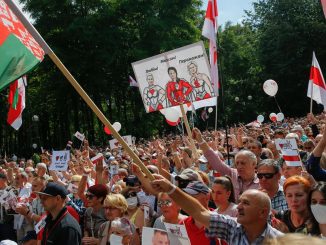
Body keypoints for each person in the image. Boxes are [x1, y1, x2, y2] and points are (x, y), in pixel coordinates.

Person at [135, 168, 283, 244]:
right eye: (240, 202)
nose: (238, 206)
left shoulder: (281, 241)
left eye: (246, 203)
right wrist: (170, 188)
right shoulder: (231, 229)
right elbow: (198, 211)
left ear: (263, 213)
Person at [193, 127, 259, 202]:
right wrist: (200, 140)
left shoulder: (262, 182)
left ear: (254, 164)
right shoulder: (232, 173)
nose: (239, 166)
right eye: (237, 163)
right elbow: (215, 161)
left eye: (243, 163)